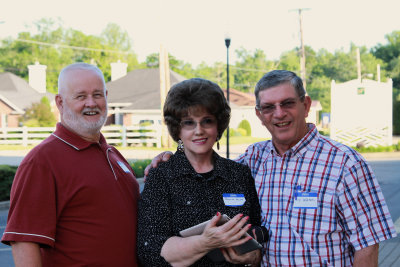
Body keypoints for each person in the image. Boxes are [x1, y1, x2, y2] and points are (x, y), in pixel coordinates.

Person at [145, 70, 397, 266]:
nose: (279, 114)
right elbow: (205, 164)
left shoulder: (346, 164)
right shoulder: (253, 160)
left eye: (287, 103)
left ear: (306, 105)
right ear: (259, 114)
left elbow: (367, 246)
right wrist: (171, 157)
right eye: (268, 107)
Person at [2, 63, 140, 266]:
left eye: (98, 94)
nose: (91, 103)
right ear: (60, 102)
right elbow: (24, 242)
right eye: (81, 96)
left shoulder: (113, 154)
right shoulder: (41, 161)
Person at [137, 78, 264, 266]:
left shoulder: (239, 174)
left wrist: (253, 257)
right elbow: (150, 250)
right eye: (189, 122)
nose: (199, 130)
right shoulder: (162, 176)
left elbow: (256, 234)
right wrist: (205, 242)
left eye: (207, 121)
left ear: (218, 125)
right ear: (177, 129)